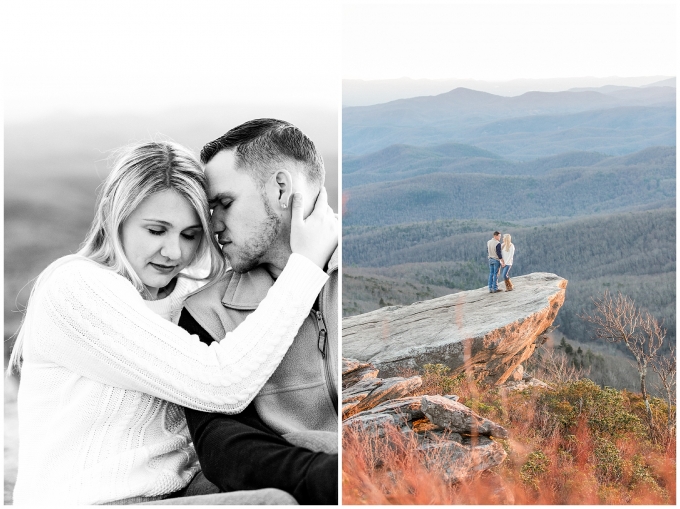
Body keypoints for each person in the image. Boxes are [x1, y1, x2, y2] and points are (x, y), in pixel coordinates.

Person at [7, 140, 338, 506]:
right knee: (271, 502)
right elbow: (222, 383)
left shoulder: (187, 296)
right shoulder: (76, 288)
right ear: (111, 215)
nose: (174, 252)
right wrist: (305, 265)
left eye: (190, 234)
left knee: (322, 445)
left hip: (180, 491)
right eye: (156, 230)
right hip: (91, 501)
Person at [178, 119, 338, 505]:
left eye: (224, 203)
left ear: (280, 188)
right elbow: (224, 446)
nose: (211, 225)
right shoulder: (205, 313)